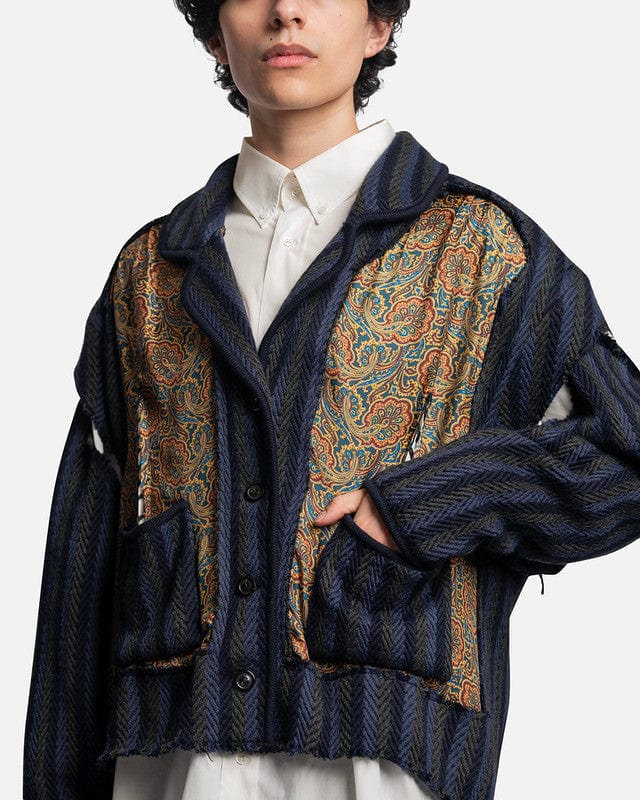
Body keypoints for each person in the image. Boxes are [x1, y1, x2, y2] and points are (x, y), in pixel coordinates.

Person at [22, 1, 640, 799]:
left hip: (381, 774)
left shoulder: (480, 251)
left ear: (379, 25)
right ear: (215, 33)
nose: (287, 10)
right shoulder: (148, 276)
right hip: (169, 773)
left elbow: (625, 451)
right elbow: (78, 593)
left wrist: (420, 507)